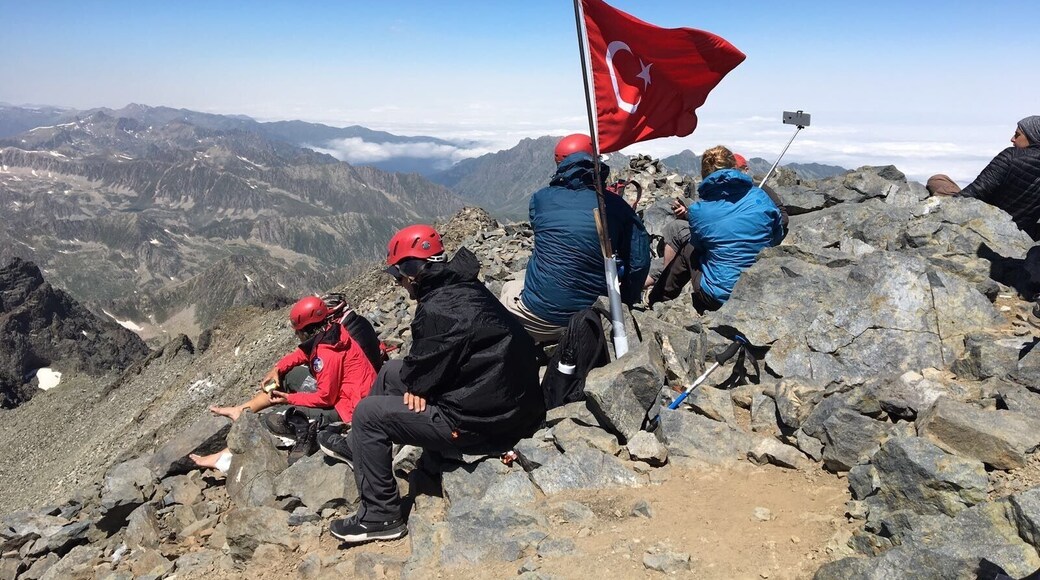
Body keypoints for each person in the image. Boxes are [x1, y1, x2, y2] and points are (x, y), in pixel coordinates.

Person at [318, 225, 545, 544]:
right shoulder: (460, 286)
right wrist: (420, 386)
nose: (397, 283)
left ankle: (381, 517)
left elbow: (422, 372)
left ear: (411, 272)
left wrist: (421, 387)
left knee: (368, 414)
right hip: (502, 400)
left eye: (397, 275)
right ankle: (360, 450)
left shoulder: (438, 308)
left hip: (481, 423)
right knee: (390, 371)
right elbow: (428, 366)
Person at [190, 294, 379, 469]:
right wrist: (277, 369)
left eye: (298, 331)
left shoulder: (326, 355)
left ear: (306, 330)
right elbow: (303, 353)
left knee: (275, 418)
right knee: (288, 375)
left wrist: (289, 399)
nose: (296, 335)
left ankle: (224, 458)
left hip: (349, 408)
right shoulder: (332, 331)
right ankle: (242, 410)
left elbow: (326, 398)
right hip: (348, 393)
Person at [500, 134, 651, 343]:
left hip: (537, 321)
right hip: (591, 325)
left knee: (509, 287)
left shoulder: (540, 199)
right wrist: (625, 301)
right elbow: (639, 262)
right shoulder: (616, 206)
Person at [649, 145, 785, 311]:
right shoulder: (761, 196)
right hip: (761, 287)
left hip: (717, 297)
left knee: (689, 249)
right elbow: (777, 235)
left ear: (704, 173)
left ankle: (657, 300)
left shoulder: (698, 211)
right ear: (734, 166)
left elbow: (700, 246)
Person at [927, 116, 1040, 240]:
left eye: (1017, 135)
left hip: (982, 222)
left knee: (938, 180)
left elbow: (977, 191)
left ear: (1033, 137)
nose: (1012, 139)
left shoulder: (1011, 156)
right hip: (1022, 235)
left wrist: (942, 209)